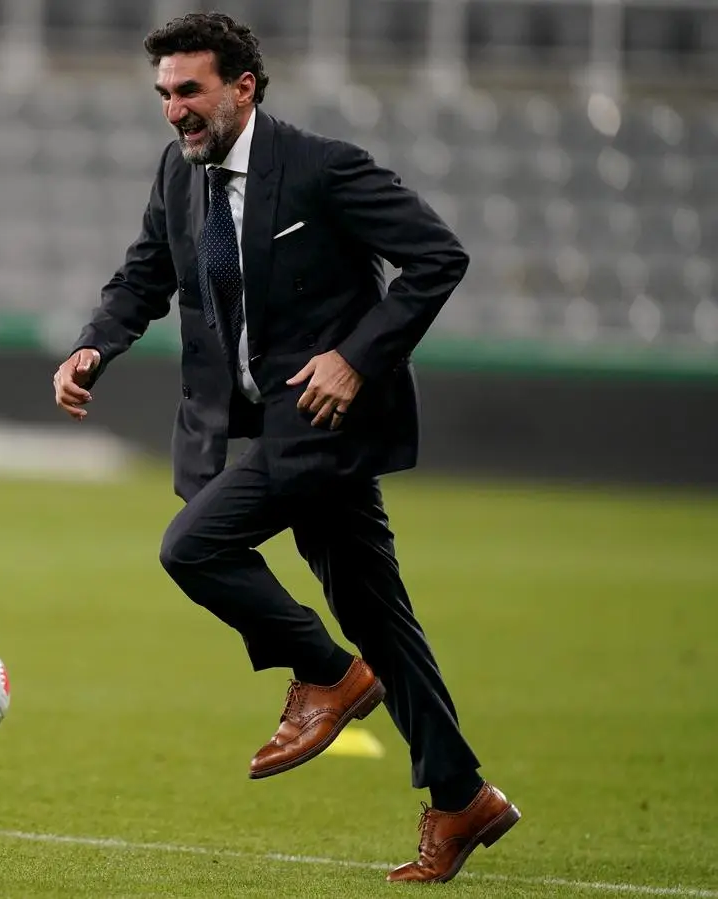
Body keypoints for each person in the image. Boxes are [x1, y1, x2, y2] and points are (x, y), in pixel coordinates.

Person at [51, 11, 519, 885]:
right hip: (264, 428)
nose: (174, 111)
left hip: (325, 429)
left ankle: (328, 674)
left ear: (242, 87)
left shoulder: (322, 168)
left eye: (189, 91)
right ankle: (462, 799)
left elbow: (436, 257)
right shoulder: (177, 173)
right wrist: (95, 344)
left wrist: (354, 358)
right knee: (386, 622)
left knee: (193, 546)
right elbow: (144, 274)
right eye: (162, 94)